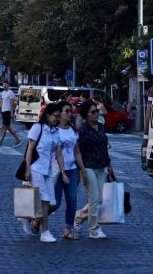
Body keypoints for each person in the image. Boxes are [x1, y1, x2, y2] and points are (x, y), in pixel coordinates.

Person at [74, 99, 114, 239]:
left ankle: (79, 216)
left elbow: (104, 147)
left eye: (97, 111)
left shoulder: (101, 127)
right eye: (93, 112)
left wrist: (109, 166)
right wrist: (81, 168)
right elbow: (77, 150)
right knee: (95, 198)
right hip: (88, 167)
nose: (96, 114)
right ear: (86, 115)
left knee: (99, 199)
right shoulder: (82, 130)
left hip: (101, 166)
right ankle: (94, 229)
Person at [22, 102, 62, 242]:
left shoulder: (55, 132)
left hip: (48, 170)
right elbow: (29, 149)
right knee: (45, 200)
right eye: (55, 116)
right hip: (36, 168)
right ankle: (45, 232)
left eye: (58, 116)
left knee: (52, 203)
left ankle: (32, 217)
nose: (57, 119)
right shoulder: (37, 128)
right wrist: (27, 169)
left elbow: (57, 152)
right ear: (48, 115)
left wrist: (62, 170)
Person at [52, 100, 85, 240]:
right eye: (67, 111)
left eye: (71, 111)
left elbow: (76, 151)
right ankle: (37, 219)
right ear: (60, 113)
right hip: (55, 171)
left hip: (71, 169)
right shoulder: (53, 130)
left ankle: (68, 229)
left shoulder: (73, 130)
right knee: (55, 202)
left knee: (72, 199)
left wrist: (81, 167)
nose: (70, 113)